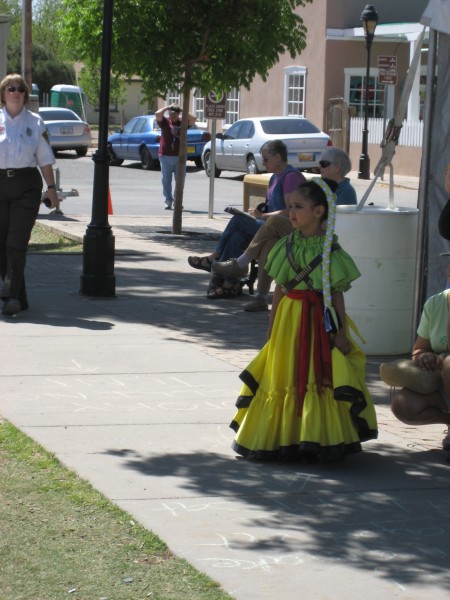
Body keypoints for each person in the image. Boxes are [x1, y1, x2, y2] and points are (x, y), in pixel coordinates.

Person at [230, 178, 378, 461]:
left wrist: (341, 333)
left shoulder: (331, 251)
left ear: (319, 211)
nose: (292, 213)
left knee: (317, 372)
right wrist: (272, 330)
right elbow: (281, 291)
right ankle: (285, 435)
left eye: (298, 207)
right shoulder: (285, 247)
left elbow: (335, 295)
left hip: (319, 322)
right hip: (289, 322)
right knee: (285, 374)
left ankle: (315, 435)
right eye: (290, 207)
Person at [212, 147, 357, 311]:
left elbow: (336, 222)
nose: (319, 168)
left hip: (317, 235)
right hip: (305, 230)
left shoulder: (345, 192)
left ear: (337, 167)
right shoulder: (322, 187)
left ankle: (239, 263)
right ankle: (260, 296)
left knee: (272, 222)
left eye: (323, 164)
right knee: (270, 243)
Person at [187, 139, 305, 299]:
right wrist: (259, 211)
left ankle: (213, 258)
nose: (262, 162)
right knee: (237, 236)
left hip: (284, 229)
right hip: (267, 226)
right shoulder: (274, 177)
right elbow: (272, 206)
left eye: (266, 158)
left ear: (278, 157)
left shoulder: (290, 177)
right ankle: (230, 285)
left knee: (238, 220)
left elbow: (291, 211)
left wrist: (262, 216)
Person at [0, 74, 58, 317]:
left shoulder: (35, 122)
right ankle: (19, 296)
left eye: (20, 89)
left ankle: (11, 296)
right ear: (3, 94)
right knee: (2, 243)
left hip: (26, 185)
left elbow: (44, 158)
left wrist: (52, 188)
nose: (15, 93)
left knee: (16, 243)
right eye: (10, 88)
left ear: (25, 95)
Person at [390, 282, 450, 451]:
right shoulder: (435, 303)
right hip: (443, 382)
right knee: (404, 405)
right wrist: (424, 356)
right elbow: (419, 348)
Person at [155, 103, 196, 210]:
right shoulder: (165, 122)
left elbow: (193, 118)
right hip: (165, 155)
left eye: (175, 114)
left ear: (178, 115)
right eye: (171, 114)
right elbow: (157, 114)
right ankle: (168, 201)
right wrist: (168, 107)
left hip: (180, 156)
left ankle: (177, 202)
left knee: (180, 180)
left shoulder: (182, 123)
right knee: (166, 180)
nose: (173, 116)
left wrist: (182, 109)